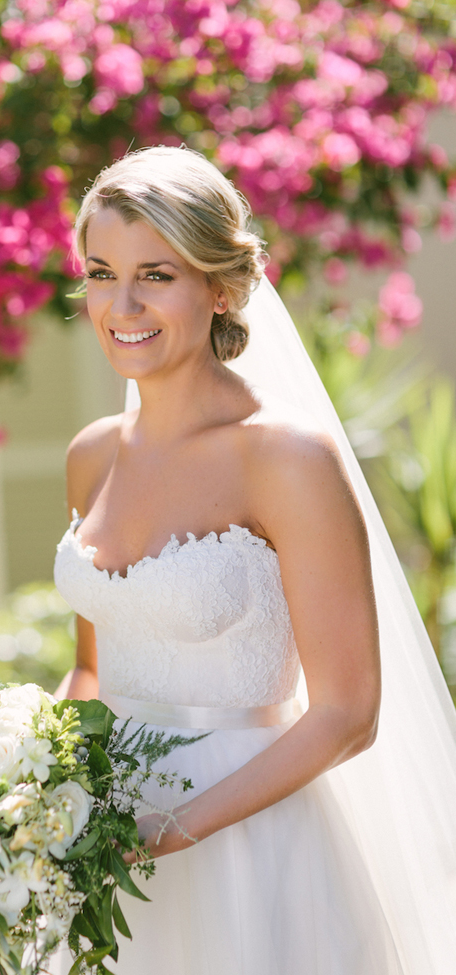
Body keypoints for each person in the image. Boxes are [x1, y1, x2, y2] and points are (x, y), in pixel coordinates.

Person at [51, 146, 456, 975]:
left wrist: (172, 831)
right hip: (105, 863)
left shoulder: (287, 458)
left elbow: (349, 711)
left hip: (253, 854)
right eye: (101, 272)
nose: (120, 304)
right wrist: (16, 780)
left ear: (221, 286)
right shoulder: (90, 458)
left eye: (155, 274)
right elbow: (92, 674)